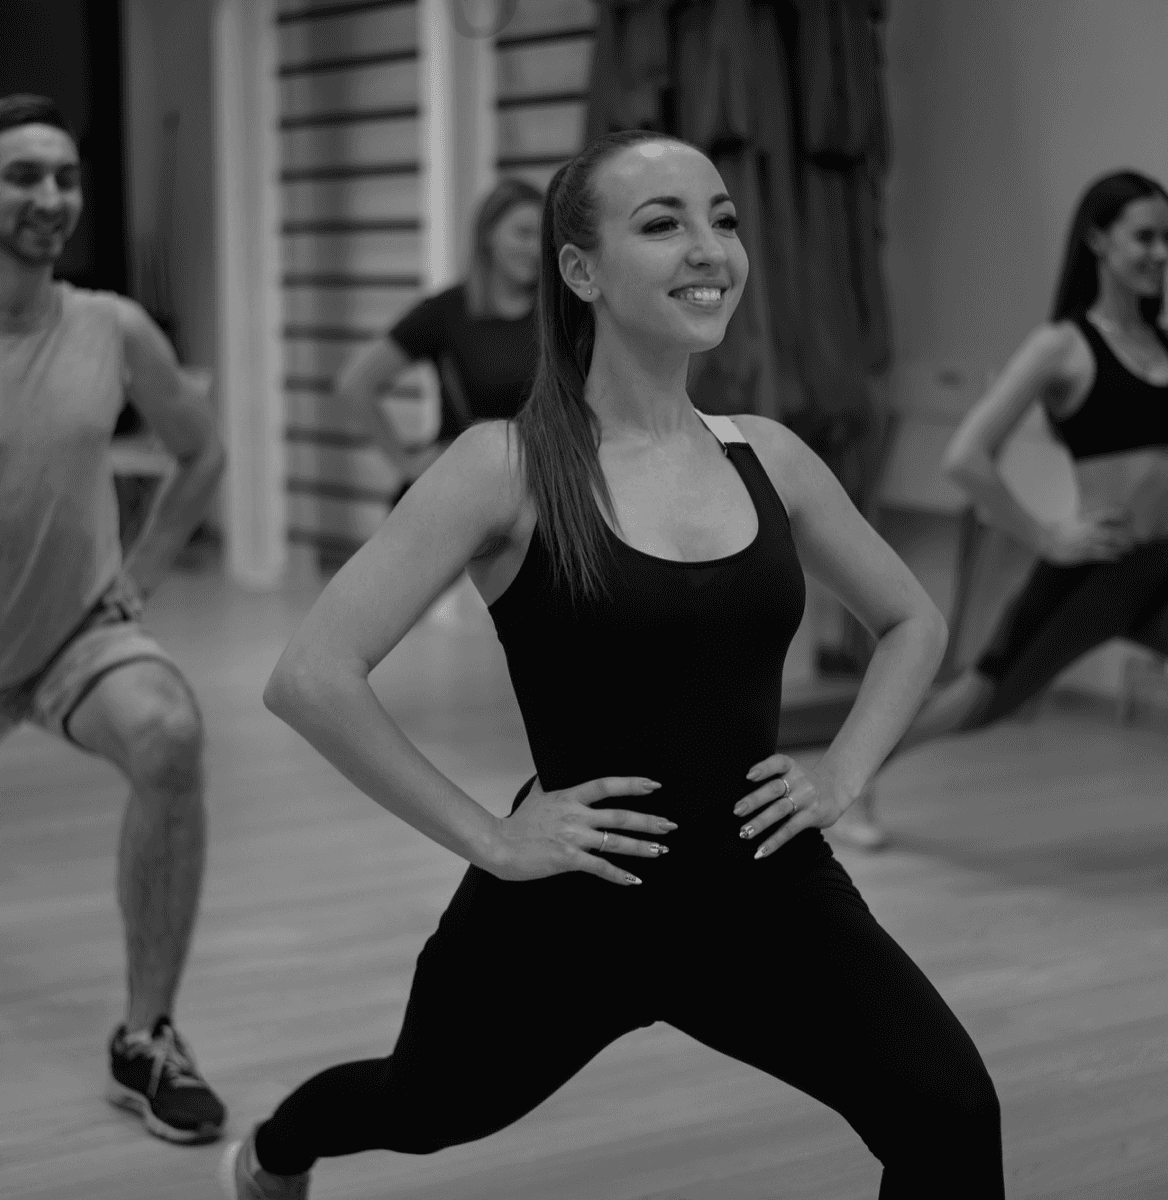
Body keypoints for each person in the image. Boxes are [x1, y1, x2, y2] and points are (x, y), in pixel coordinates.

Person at [221, 129, 1003, 1199]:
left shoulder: (769, 456)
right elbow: (311, 675)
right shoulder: (502, 465)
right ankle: (275, 1151)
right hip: (573, 904)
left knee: (951, 1112)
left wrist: (843, 774)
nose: (709, 248)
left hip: (760, 889)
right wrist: (490, 836)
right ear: (580, 270)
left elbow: (910, 620)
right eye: (663, 223)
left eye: (722, 220)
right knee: (421, 1107)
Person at [0, 95, 228, 1143]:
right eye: (22, 176)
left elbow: (201, 449)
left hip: (70, 634)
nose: (50, 197)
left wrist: (140, 571)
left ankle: (146, 1039)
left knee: (169, 734)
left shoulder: (111, 327)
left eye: (65, 177)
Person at [835, 169, 1168, 850]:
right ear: (1099, 240)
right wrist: (1047, 537)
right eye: (1145, 237)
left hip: (1161, 568)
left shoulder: (1162, 346)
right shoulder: (1063, 347)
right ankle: (848, 779)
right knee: (981, 701)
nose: (1160, 253)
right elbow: (966, 457)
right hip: (1097, 568)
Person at [333, 176, 543, 497]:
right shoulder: (447, 312)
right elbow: (355, 384)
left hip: (538, 489)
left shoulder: (558, 315)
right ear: (488, 235)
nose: (536, 249)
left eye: (543, 236)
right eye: (523, 233)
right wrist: (406, 463)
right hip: (464, 492)